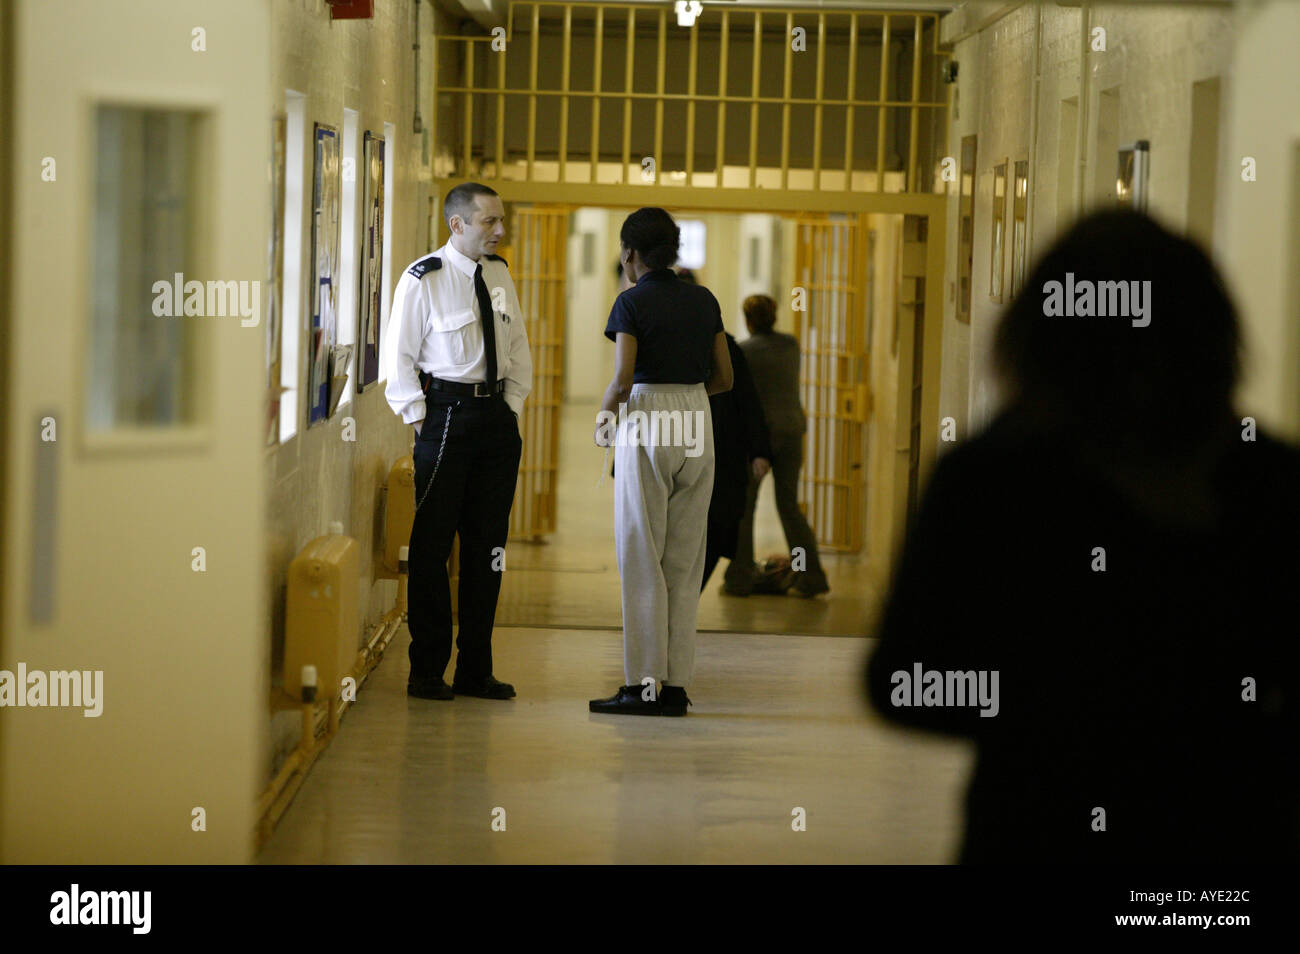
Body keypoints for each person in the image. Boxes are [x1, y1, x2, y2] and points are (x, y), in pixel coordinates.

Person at [864, 210, 1300, 863]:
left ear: (1038, 336)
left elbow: (901, 680)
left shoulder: (993, 476)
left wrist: (1043, 709)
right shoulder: (1268, 477)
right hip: (1223, 831)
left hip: (1037, 822)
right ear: (1209, 334)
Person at [383, 182, 532, 702]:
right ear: (458, 225)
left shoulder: (499, 274)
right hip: (445, 417)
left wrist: (510, 408)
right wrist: (421, 419)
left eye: (501, 220)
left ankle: (475, 669)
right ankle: (426, 670)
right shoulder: (424, 278)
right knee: (432, 548)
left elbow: (517, 345)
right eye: (489, 221)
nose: (500, 230)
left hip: (495, 420)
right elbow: (397, 360)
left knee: (488, 548)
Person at [590, 208, 733, 717]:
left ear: (630, 253)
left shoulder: (630, 302)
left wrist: (604, 423)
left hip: (648, 414)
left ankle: (642, 685)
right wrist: (689, 399)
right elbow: (726, 379)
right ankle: (675, 685)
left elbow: (623, 379)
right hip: (696, 415)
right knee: (685, 557)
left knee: (640, 550)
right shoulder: (704, 299)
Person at [723, 295, 830, 597]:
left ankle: (741, 576)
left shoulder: (743, 352)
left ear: (748, 321)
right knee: (789, 506)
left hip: (759, 438)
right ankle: (812, 577)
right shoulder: (791, 346)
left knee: (745, 508)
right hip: (792, 431)